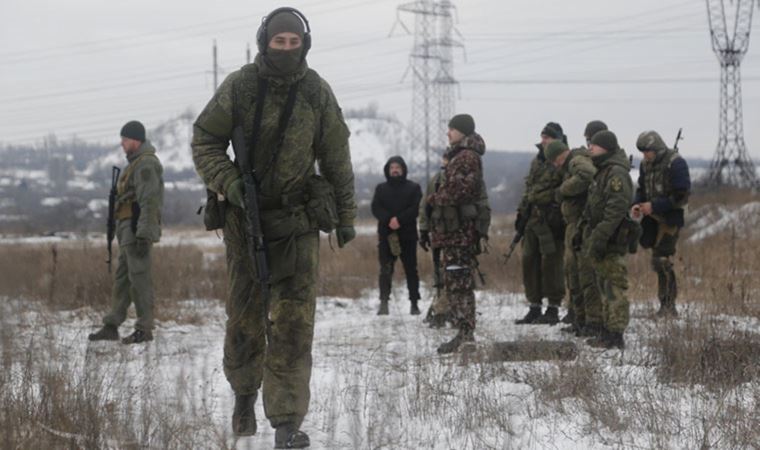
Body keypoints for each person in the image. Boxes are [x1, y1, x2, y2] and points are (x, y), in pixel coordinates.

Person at [191, 7, 356, 447]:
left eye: (293, 42)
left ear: (304, 44)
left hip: (298, 222)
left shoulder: (316, 92)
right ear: (264, 40)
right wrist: (229, 182)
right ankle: (244, 394)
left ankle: (286, 421)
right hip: (245, 222)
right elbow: (204, 140)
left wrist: (346, 215)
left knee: (294, 321)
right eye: (278, 41)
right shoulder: (241, 86)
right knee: (245, 316)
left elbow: (337, 157)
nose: (285, 49)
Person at [88, 120, 164, 345]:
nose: (121, 143)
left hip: (135, 228)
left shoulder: (146, 164)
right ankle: (112, 325)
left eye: (125, 139)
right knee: (122, 279)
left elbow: (149, 201)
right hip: (127, 228)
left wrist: (144, 233)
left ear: (136, 140)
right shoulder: (135, 164)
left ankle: (145, 328)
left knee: (139, 278)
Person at [428, 114, 488, 354]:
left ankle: (466, 333)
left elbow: (460, 191)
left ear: (463, 132)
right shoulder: (460, 155)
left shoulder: (466, 158)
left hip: (460, 232)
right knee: (454, 281)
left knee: (459, 281)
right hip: (454, 232)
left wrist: (434, 198)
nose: (448, 133)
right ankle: (462, 330)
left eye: (452, 129)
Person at [581, 130, 634, 349]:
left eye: (594, 144)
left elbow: (616, 209)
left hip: (612, 239)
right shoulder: (602, 171)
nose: (590, 147)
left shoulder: (616, 173)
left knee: (614, 286)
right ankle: (607, 330)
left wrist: (601, 236)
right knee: (604, 285)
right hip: (601, 237)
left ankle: (615, 334)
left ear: (606, 147)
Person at [543, 126, 597, 335]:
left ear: (559, 156)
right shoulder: (571, 162)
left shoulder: (575, 161)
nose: (556, 165)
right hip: (575, 225)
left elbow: (587, 175)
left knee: (584, 274)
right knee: (573, 273)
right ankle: (581, 320)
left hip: (582, 224)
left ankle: (591, 322)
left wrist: (562, 190)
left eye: (555, 160)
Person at [631, 130, 691, 317]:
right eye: (642, 152)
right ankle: (665, 305)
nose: (645, 155)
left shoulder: (676, 163)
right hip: (652, 218)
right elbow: (642, 188)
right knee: (656, 256)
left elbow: (681, 196)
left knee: (662, 260)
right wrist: (637, 204)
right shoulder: (645, 165)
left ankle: (668, 306)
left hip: (670, 218)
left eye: (647, 151)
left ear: (656, 148)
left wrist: (655, 205)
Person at [515, 122, 566, 325]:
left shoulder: (563, 160)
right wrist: (521, 212)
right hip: (533, 220)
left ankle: (553, 307)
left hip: (551, 220)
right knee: (529, 261)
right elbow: (529, 188)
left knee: (552, 263)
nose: (544, 141)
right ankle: (534, 306)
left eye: (549, 137)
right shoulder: (538, 160)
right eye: (543, 137)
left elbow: (565, 188)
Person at [371, 155, 422, 315]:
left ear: (403, 170)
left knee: (411, 270)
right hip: (386, 235)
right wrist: (388, 220)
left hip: (408, 236)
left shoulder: (413, 188)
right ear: (388, 170)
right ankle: (384, 303)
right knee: (385, 270)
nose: (395, 170)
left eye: (398, 167)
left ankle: (414, 304)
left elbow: (415, 209)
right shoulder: (380, 188)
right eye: (392, 168)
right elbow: (375, 208)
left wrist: (399, 220)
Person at [420, 157, 448, 328]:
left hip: (457, 235)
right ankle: (439, 308)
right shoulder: (436, 180)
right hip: (437, 233)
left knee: (450, 273)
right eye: (445, 158)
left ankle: (442, 311)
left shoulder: (464, 178)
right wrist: (423, 230)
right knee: (439, 273)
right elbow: (425, 206)